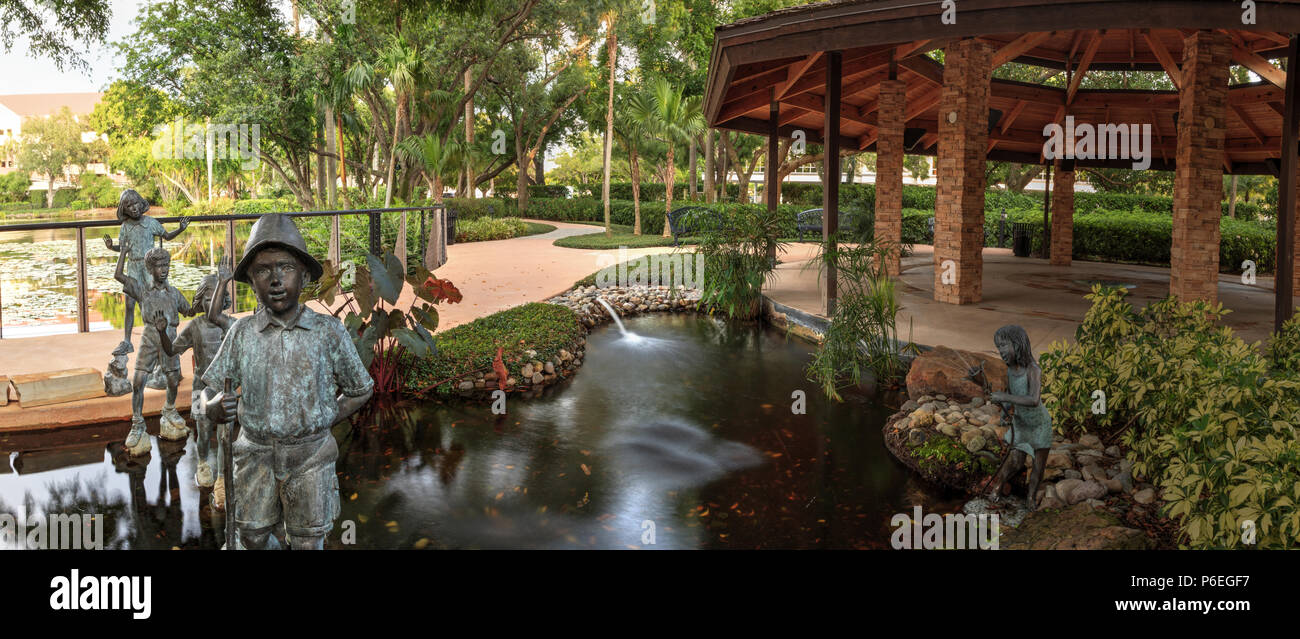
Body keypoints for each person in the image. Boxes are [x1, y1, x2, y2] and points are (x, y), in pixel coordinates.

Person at [203, 213, 373, 550]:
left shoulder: (328, 332)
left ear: (304, 274)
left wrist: (324, 416)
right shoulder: (242, 334)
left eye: (286, 267)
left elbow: (360, 389)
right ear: (251, 280)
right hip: (255, 454)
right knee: (251, 537)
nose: (276, 280)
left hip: (310, 456)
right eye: (263, 270)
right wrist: (213, 408)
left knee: (308, 542)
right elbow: (210, 392)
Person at [155, 257, 235, 500]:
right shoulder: (195, 326)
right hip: (201, 388)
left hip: (225, 390)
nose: (214, 303)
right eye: (208, 298)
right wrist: (161, 332)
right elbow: (172, 350)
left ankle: (222, 477)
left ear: (225, 300)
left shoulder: (231, 326)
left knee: (225, 436)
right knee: (202, 429)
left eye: (218, 298)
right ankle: (202, 463)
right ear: (201, 301)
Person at [114, 245, 195, 457]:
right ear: (150, 269)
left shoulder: (174, 293)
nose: (164, 269)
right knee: (138, 381)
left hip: (169, 339)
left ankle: (169, 408)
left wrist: (214, 294)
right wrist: (123, 252)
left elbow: (190, 310)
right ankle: (137, 422)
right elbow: (118, 275)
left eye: (166, 265)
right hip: (149, 338)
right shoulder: (142, 290)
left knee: (172, 379)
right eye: (159, 266)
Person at [102, 189, 189, 355]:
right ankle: (127, 341)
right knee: (129, 304)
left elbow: (167, 236)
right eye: (129, 206)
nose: (134, 208)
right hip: (133, 267)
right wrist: (110, 247)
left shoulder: (150, 222)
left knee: (152, 302)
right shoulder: (125, 227)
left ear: (141, 203)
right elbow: (123, 248)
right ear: (124, 209)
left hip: (149, 267)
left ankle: (160, 336)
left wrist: (181, 229)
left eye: (135, 204)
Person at [986, 324, 1053, 507]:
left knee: (1038, 466)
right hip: (1022, 423)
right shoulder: (1010, 370)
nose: (1001, 351)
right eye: (998, 347)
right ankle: (997, 486)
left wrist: (1005, 397)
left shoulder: (1033, 369)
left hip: (1040, 425)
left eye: (1003, 346)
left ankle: (1030, 497)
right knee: (1015, 460)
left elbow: (1034, 399)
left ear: (1017, 344)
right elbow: (1010, 391)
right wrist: (1005, 407)